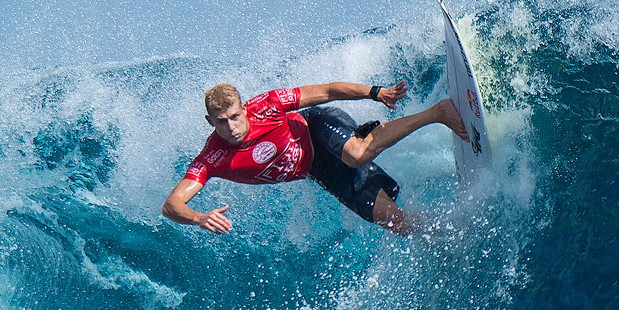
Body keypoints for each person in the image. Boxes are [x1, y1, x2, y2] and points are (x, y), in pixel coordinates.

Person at [162, 81, 468, 235]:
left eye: (235, 117)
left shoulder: (267, 105)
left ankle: (438, 113)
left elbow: (324, 91)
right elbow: (171, 205)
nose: (231, 127)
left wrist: (375, 93)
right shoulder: (212, 156)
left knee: (356, 153)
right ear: (209, 121)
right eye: (220, 122)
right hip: (318, 169)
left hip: (317, 128)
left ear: (243, 108)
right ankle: (452, 233)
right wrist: (200, 218)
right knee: (396, 223)